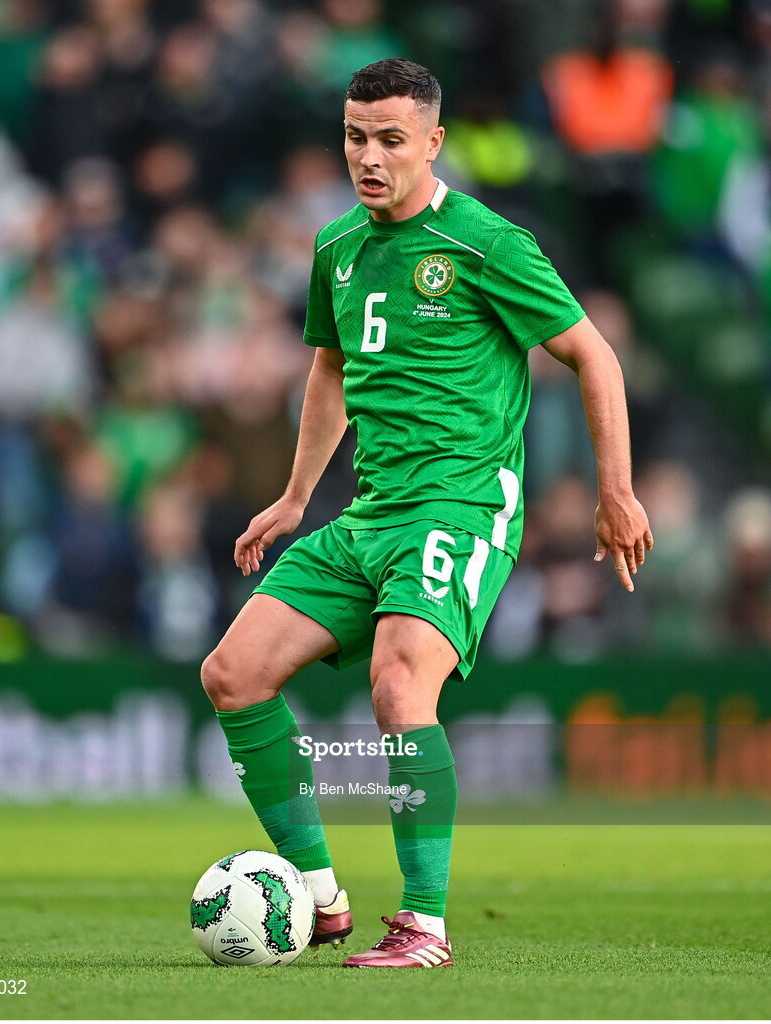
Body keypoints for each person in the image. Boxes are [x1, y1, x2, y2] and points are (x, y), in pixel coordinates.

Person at [200, 58, 653, 969]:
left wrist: (616, 492)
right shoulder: (337, 248)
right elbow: (330, 374)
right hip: (371, 513)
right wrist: (294, 498)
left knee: (399, 687)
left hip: (461, 505)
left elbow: (594, 359)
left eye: (390, 140)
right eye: (355, 137)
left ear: (434, 143)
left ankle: (424, 927)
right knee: (232, 672)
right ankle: (319, 900)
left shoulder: (488, 244)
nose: (369, 157)